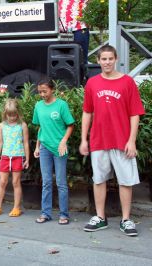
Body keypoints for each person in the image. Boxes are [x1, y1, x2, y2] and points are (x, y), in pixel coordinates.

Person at [80, 45, 145, 237]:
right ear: (98, 61)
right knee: (98, 179)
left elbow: (135, 114)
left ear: (116, 59)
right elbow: (87, 112)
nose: (107, 62)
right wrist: (84, 139)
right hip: (99, 140)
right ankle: (100, 217)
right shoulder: (92, 83)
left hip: (122, 140)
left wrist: (132, 140)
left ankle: (126, 219)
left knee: (126, 181)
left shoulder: (127, 83)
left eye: (110, 58)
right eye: (103, 59)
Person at [32, 79, 75, 225]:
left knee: (61, 182)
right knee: (46, 182)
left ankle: (64, 214)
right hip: (44, 147)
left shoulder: (61, 105)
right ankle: (46, 213)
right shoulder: (38, 106)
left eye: (45, 91)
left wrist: (63, 142)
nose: (42, 94)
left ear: (52, 90)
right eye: (40, 92)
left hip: (59, 148)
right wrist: (37, 146)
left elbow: (70, 125)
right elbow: (41, 128)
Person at [0, 99, 30, 217]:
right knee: (2, 181)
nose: (12, 117)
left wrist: (27, 159)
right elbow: (0, 142)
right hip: (5, 156)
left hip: (18, 156)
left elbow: (26, 143)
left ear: (18, 112)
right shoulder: (2, 125)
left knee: (15, 182)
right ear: (5, 113)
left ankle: (16, 207)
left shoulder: (22, 125)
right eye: (9, 115)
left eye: (14, 114)